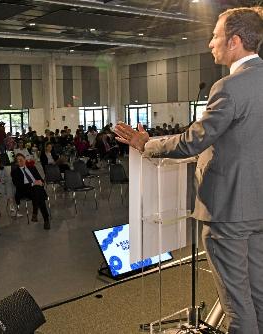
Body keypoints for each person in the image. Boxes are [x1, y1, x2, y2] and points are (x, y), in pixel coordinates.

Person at [114, 7, 263, 333]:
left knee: (238, 309)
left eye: (215, 35)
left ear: (235, 41)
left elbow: (192, 142)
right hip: (258, 209)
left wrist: (145, 143)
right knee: (258, 298)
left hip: (227, 214)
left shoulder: (229, 87)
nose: (210, 43)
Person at [11, 153, 50, 230]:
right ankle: (43, 217)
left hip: (36, 190)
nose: (21, 161)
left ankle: (42, 217)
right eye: (18, 160)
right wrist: (33, 183)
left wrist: (41, 182)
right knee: (38, 192)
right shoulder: (14, 172)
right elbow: (18, 185)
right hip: (24, 191)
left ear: (25, 159)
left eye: (22, 158)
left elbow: (40, 179)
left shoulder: (32, 168)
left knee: (37, 190)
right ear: (16, 163)